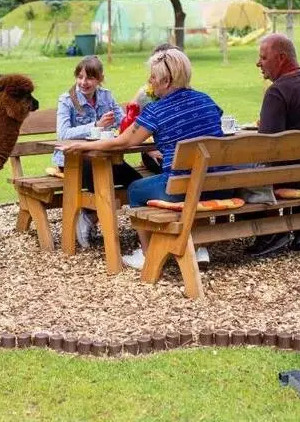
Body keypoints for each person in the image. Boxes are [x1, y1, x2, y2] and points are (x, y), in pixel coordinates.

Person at [60, 45, 231, 270]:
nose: (149, 83)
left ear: (166, 81)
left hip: (180, 190)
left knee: (135, 190)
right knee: (193, 183)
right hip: (220, 186)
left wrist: (82, 145)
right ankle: (196, 247)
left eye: (152, 78)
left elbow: (124, 141)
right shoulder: (207, 101)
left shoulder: (157, 110)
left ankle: (147, 253)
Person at [244, 33, 300, 258]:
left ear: (281, 58)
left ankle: (272, 233)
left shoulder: (277, 91)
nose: (258, 63)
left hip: (294, 177)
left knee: (239, 172)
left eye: (263, 58)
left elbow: (268, 147)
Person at [54, 55, 142, 248]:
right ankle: (95, 222)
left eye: (90, 78)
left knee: (137, 183)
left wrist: (132, 121)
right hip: (74, 161)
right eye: (80, 77)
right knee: (104, 181)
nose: (83, 82)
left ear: (100, 79)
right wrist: (96, 125)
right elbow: (63, 134)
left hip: (105, 157)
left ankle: (89, 216)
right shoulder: (67, 100)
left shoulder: (106, 96)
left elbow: (123, 123)